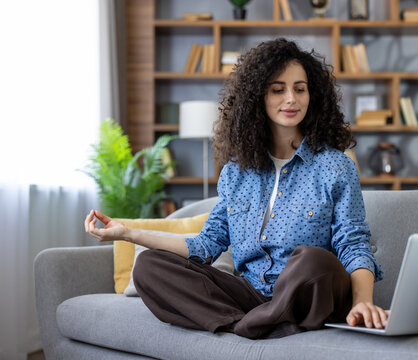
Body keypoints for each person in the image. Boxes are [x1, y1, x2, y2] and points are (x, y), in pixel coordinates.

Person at [85, 38, 387, 339]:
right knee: (148, 267)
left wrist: (363, 302)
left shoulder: (335, 167)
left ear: (313, 94)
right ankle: (258, 323)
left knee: (316, 261)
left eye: (299, 88)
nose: (291, 99)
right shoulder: (236, 173)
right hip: (249, 295)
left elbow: (353, 244)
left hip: (307, 294)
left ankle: (248, 325)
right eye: (278, 89)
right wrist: (127, 233)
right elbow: (205, 246)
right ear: (258, 97)